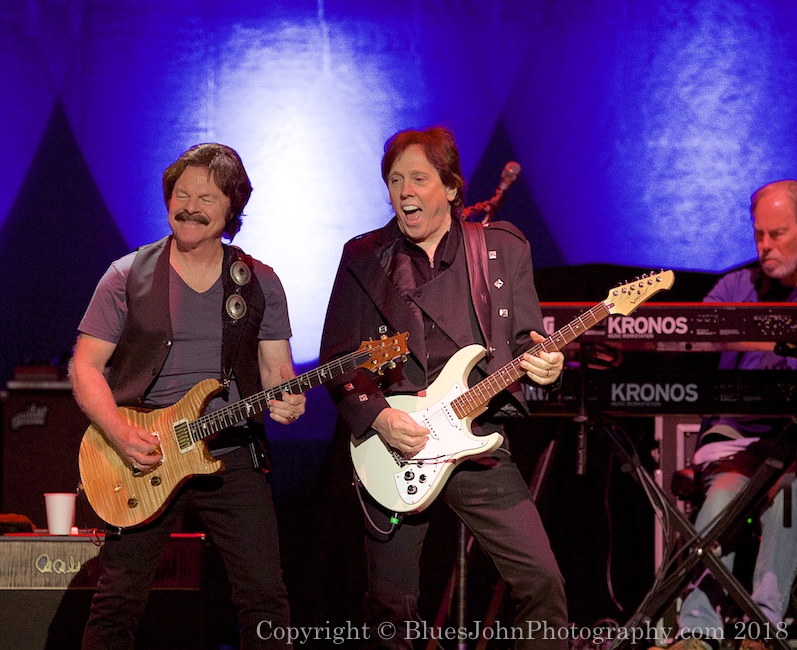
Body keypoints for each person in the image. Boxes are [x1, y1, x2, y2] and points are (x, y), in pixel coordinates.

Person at [319, 126, 569, 649]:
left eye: (418, 178)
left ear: (452, 187)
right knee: (392, 608)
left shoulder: (501, 248)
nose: (404, 191)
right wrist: (382, 418)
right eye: (394, 180)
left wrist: (546, 365)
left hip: (477, 443)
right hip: (396, 448)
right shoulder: (364, 257)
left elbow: (529, 341)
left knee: (543, 582)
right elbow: (341, 359)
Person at [70, 142, 305, 649]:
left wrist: (287, 400)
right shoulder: (126, 275)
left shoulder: (260, 282)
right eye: (181, 194)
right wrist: (119, 432)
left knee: (266, 602)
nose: (190, 207)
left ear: (231, 210)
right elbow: (85, 367)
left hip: (231, 455)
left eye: (207, 198)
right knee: (116, 603)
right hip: (144, 456)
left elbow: (275, 373)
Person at [652, 179, 797, 650]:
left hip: (792, 444)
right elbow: (695, 329)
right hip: (733, 438)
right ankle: (697, 630)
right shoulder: (737, 285)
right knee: (723, 500)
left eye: (777, 234)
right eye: (758, 235)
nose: (764, 246)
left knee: (791, 501)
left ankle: (764, 630)